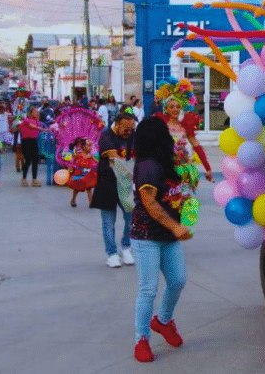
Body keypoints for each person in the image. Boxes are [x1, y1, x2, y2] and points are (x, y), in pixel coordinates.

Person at [130, 116, 192, 363]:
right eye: (165, 133)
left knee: (178, 281)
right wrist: (175, 226)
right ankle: (141, 339)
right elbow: (149, 202)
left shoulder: (166, 163)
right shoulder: (147, 166)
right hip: (147, 237)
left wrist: (188, 215)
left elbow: (179, 195)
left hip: (168, 236)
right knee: (148, 289)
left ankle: (163, 321)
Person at [91, 112, 137, 268]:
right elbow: (114, 157)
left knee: (131, 217)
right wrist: (130, 167)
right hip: (108, 182)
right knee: (108, 222)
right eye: (126, 129)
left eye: (131, 129)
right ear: (117, 124)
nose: (129, 132)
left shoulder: (133, 136)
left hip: (126, 184)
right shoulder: (106, 136)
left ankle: (127, 247)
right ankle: (111, 253)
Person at [154, 96, 214, 192]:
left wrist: (208, 168)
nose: (175, 109)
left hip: (183, 171)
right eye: (172, 107)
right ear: (166, 109)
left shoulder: (185, 126)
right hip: (165, 170)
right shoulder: (161, 125)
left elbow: (197, 147)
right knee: (167, 201)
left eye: (178, 107)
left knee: (182, 200)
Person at [18, 107, 48, 187]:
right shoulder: (26, 120)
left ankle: (34, 179)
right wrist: (44, 129)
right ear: (30, 112)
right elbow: (33, 127)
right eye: (34, 111)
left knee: (35, 160)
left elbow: (37, 128)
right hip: (26, 141)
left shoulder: (37, 121)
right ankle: (24, 178)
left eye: (37, 111)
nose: (36, 112)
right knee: (28, 160)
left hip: (34, 141)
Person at [67, 137, 98, 207]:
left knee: (89, 188)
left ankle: (91, 202)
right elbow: (72, 161)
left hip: (88, 173)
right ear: (83, 147)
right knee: (76, 188)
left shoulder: (91, 155)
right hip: (79, 173)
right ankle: (73, 199)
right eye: (88, 145)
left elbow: (97, 161)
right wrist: (70, 168)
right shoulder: (78, 154)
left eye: (90, 146)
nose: (90, 147)